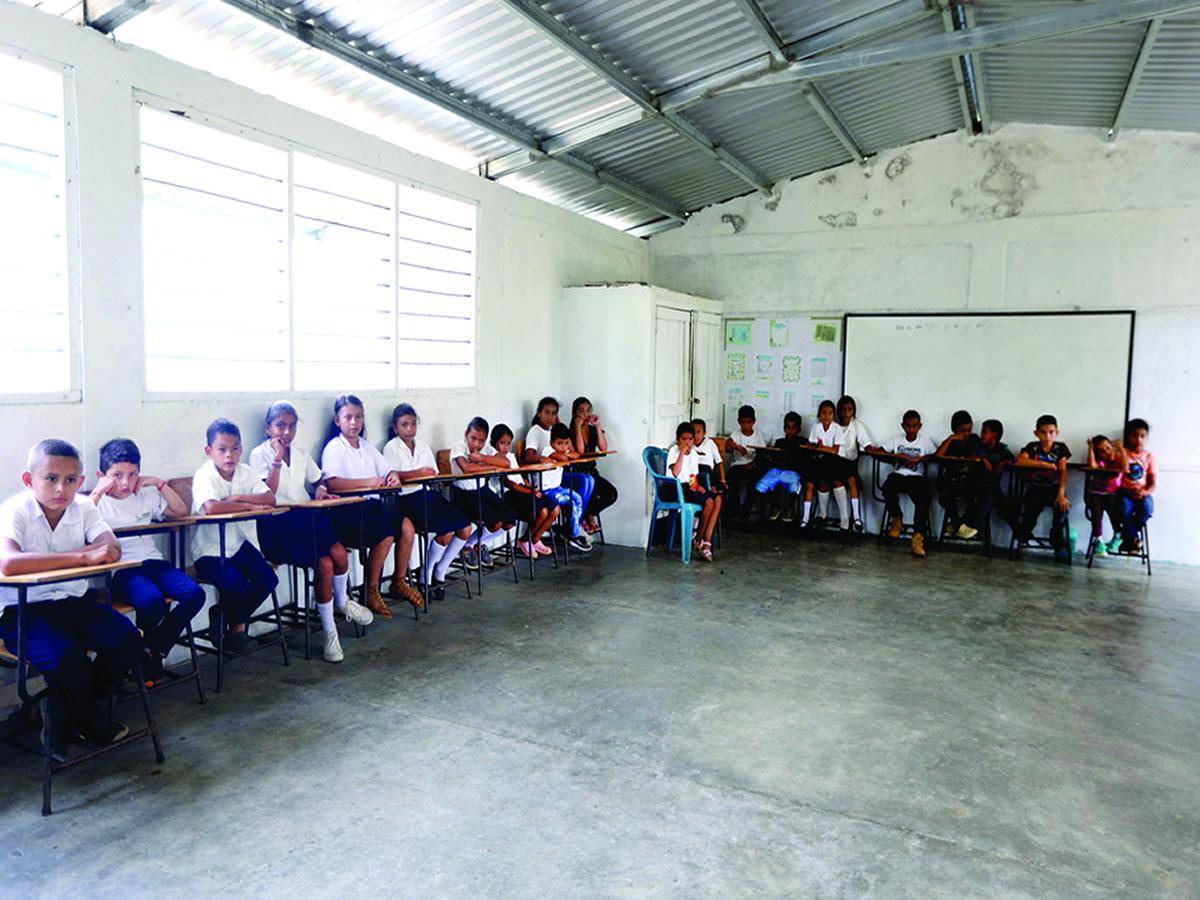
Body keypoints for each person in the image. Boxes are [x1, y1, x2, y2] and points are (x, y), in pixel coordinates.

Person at [0, 440, 139, 758]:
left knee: (126, 639)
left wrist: (93, 553)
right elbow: (9, 562)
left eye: (71, 480)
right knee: (65, 659)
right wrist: (82, 557)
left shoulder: (85, 508)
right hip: (22, 609)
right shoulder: (15, 510)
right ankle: (88, 724)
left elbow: (111, 548)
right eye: (51, 478)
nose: (61, 488)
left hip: (71, 602)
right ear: (28, 480)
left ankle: (65, 715)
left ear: (81, 480)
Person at [248, 402, 375, 663]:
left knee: (338, 553)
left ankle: (341, 602)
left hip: (305, 518)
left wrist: (319, 489)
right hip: (276, 526)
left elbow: (319, 479)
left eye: (292, 426)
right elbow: (267, 495)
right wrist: (276, 459)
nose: (286, 432)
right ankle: (331, 633)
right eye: (280, 425)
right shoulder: (258, 455)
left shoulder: (301, 453)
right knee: (325, 564)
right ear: (268, 428)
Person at [92, 437, 203, 682]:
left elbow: (180, 510)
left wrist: (158, 483)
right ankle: (147, 654)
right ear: (102, 475)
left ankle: (154, 647)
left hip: (155, 563)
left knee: (194, 594)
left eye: (133, 474)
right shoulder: (98, 504)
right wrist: (99, 490)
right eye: (117, 475)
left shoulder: (145, 495)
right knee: (152, 601)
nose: (126, 482)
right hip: (124, 569)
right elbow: (80, 523)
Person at [319, 395, 422, 614]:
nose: (354, 422)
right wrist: (369, 482)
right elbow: (333, 484)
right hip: (347, 511)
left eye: (358, 417)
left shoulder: (366, 447)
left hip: (372, 508)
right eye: (348, 417)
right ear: (337, 421)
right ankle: (371, 589)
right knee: (385, 534)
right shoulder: (334, 448)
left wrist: (392, 476)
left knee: (407, 527)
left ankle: (399, 581)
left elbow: (387, 470)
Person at [189, 419, 279, 651]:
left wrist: (238, 498)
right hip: (209, 551)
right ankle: (236, 630)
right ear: (209, 451)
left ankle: (227, 617)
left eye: (235, 448)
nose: (230, 455)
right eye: (222, 449)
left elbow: (269, 499)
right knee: (236, 583)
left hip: (240, 544)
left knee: (268, 579)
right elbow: (211, 507)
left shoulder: (245, 471)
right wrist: (250, 507)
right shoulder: (204, 475)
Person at [383, 403, 474, 603]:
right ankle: (425, 574)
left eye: (413, 424)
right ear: (395, 426)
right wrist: (418, 474)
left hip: (427, 494)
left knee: (465, 528)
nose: (409, 429)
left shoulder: (422, 446)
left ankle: (440, 570)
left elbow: (432, 472)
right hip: (407, 500)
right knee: (446, 531)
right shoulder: (391, 448)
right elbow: (392, 476)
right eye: (404, 425)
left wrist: (427, 476)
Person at [449, 416, 516, 569]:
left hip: (482, 490)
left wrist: (482, 458)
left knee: (510, 519)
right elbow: (467, 468)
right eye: (473, 438)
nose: (477, 444)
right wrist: (491, 467)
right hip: (463, 495)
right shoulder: (458, 447)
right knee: (495, 523)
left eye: (481, 440)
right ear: (466, 433)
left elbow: (506, 463)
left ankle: (472, 544)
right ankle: (468, 547)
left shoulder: (484, 450)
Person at [491, 423, 559, 558]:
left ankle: (535, 539)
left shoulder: (510, 457)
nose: (506, 447)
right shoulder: (494, 459)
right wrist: (530, 492)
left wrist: (530, 487)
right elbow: (510, 484)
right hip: (510, 495)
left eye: (508, 443)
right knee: (543, 512)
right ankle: (525, 540)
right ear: (493, 443)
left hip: (523, 491)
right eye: (502, 443)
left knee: (555, 509)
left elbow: (520, 477)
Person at [880, 409, 938, 558]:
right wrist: (897, 456)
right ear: (903, 426)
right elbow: (880, 451)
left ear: (920, 426)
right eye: (908, 426)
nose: (911, 429)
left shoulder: (924, 441)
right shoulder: (896, 439)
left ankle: (918, 537)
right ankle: (897, 518)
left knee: (923, 498)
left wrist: (919, 459)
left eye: (914, 426)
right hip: (900, 475)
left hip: (917, 477)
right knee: (887, 487)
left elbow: (936, 456)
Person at [1015, 414, 1072, 558]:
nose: (1047, 436)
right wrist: (1042, 464)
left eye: (1051, 432)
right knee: (1030, 511)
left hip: (1054, 488)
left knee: (1061, 509)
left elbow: (1063, 472)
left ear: (1057, 433)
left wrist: (1061, 494)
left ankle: (1057, 539)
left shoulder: (1060, 449)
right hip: (1035, 488)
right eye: (1043, 432)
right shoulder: (1032, 447)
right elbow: (1020, 461)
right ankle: (1025, 533)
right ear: (1036, 433)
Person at [665, 422, 723, 562]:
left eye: (690, 439)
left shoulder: (694, 455)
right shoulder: (674, 451)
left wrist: (698, 486)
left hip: (688, 488)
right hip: (674, 488)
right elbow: (675, 472)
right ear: (678, 439)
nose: (687, 442)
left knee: (717, 499)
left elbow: (692, 477)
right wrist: (681, 454)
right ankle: (699, 540)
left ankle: (705, 541)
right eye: (683, 439)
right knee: (708, 502)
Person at [541, 423, 593, 553]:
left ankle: (572, 531)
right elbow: (564, 457)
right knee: (573, 501)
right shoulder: (547, 450)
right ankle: (572, 535)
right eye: (560, 443)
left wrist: (567, 452)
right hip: (546, 490)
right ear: (552, 442)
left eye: (566, 443)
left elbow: (576, 454)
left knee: (577, 498)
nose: (563, 447)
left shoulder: (560, 450)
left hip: (556, 488)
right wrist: (566, 454)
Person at [569, 397, 617, 532]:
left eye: (588, 410)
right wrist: (578, 427)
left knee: (611, 493)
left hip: (591, 471)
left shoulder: (592, 430)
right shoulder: (570, 431)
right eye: (581, 411)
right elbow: (580, 450)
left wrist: (597, 426)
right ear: (574, 413)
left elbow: (603, 448)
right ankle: (584, 517)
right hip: (577, 473)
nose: (586, 414)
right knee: (592, 490)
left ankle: (589, 513)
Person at [962, 418, 1014, 539]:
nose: (982, 435)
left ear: (994, 435)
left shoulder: (1002, 450)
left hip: (989, 489)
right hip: (972, 486)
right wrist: (983, 460)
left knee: (994, 496)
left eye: (985, 432)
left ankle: (970, 524)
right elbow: (971, 458)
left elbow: (1013, 460)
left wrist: (1003, 463)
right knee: (994, 496)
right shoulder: (977, 445)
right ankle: (1021, 532)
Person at [935, 410, 983, 539]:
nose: (966, 434)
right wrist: (951, 438)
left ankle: (958, 525)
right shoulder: (951, 441)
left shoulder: (974, 440)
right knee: (943, 493)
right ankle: (959, 524)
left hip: (969, 481)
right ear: (954, 429)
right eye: (962, 431)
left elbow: (977, 456)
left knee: (974, 495)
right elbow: (938, 455)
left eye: (968, 430)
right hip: (952, 481)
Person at [802, 400, 849, 530]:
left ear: (834, 415)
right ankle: (820, 515)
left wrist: (821, 448)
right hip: (823, 460)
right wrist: (817, 448)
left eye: (830, 413)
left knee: (836, 481)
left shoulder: (837, 428)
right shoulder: (816, 428)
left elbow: (835, 450)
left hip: (838, 460)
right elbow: (813, 446)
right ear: (819, 415)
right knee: (819, 482)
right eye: (824, 413)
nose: (826, 416)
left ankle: (844, 519)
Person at [753, 411, 806, 522]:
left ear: (799, 430)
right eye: (787, 427)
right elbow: (773, 457)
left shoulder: (802, 442)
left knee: (793, 487)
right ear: (784, 428)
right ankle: (776, 507)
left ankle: (788, 509)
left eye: (793, 428)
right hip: (778, 471)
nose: (790, 430)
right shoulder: (780, 442)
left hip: (793, 472)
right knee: (761, 485)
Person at [1117, 418, 1156, 554]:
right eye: (1134, 436)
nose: (1138, 439)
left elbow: (1152, 484)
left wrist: (1144, 492)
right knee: (1123, 508)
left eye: (1142, 436)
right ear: (1128, 436)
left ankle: (1129, 537)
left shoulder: (1149, 456)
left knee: (1147, 509)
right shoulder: (1123, 454)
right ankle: (1133, 539)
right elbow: (1116, 477)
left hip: (1142, 493)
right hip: (1125, 492)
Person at [1085, 434, 1126, 558]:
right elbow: (1092, 466)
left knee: (1115, 513)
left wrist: (1121, 448)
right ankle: (1098, 540)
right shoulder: (1100, 462)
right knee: (1096, 515)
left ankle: (1118, 535)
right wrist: (1090, 448)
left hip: (1113, 494)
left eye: (1108, 447)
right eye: (1101, 451)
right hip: (1096, 494)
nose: (1106, 452)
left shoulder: (1118, 459)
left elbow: (1125, 468)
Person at [835, 395, 873, 531]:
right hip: (834, 463)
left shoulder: (857, 426)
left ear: (854, 411)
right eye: (843, 409)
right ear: (838, 410)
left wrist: (874, 450)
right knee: (837, 481)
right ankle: (844, 519)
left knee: (852, 481)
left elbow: (866, 443)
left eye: (849, 409)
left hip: (850, 464)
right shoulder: (833, 425)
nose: (846, 412)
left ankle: (856, 517)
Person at [725, 405, 766, 519]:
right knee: (731, 479)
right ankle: (735, 509)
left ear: (753, 422)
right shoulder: (736, 434)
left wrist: (752, 464)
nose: (746, 425)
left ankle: (745, 510)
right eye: (743, 423)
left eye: (748, 422)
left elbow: (762, 453)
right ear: (739, 422)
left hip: (752, 466)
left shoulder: (758, 435)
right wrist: (737, 447)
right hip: (737, 466)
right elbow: (728, 443)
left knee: (757, 483)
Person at [692, 419, 726, 493]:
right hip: (693, 473)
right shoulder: (689, 443)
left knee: (722, 489)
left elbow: (719, 462)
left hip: (708, 472)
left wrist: (723, 479)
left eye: (698, 432)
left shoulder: (710, 443)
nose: (695, 435)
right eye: (693, 432)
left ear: (704, 433)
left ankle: (712, 487)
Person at [523, 396, 559, 465]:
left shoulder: (553, 430)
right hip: (543, 472)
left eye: (553, 413)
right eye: (547, 412)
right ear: (539, 413)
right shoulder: (535, 431)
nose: (550, 417)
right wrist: (542, 458)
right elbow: (528, 457)